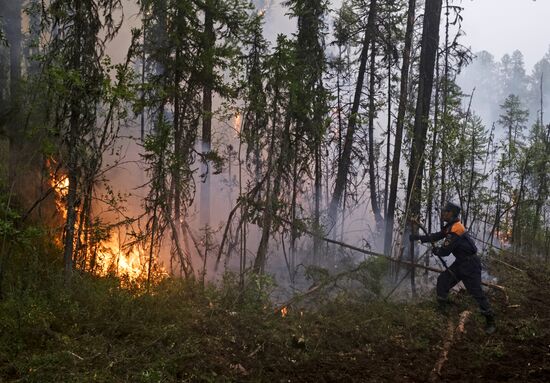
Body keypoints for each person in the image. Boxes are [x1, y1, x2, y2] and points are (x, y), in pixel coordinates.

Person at [410, 202, 496, 334]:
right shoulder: (451, 226)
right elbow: (436, 236)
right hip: (460, 263)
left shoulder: (456, 229)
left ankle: (491, 321)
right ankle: (443, 311)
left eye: (446, 211)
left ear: (451, 214)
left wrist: (437, 250)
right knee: (443, 280)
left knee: (476, 292)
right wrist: (418, 238)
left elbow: (445, 251)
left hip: (471, 265)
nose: (443, 213)